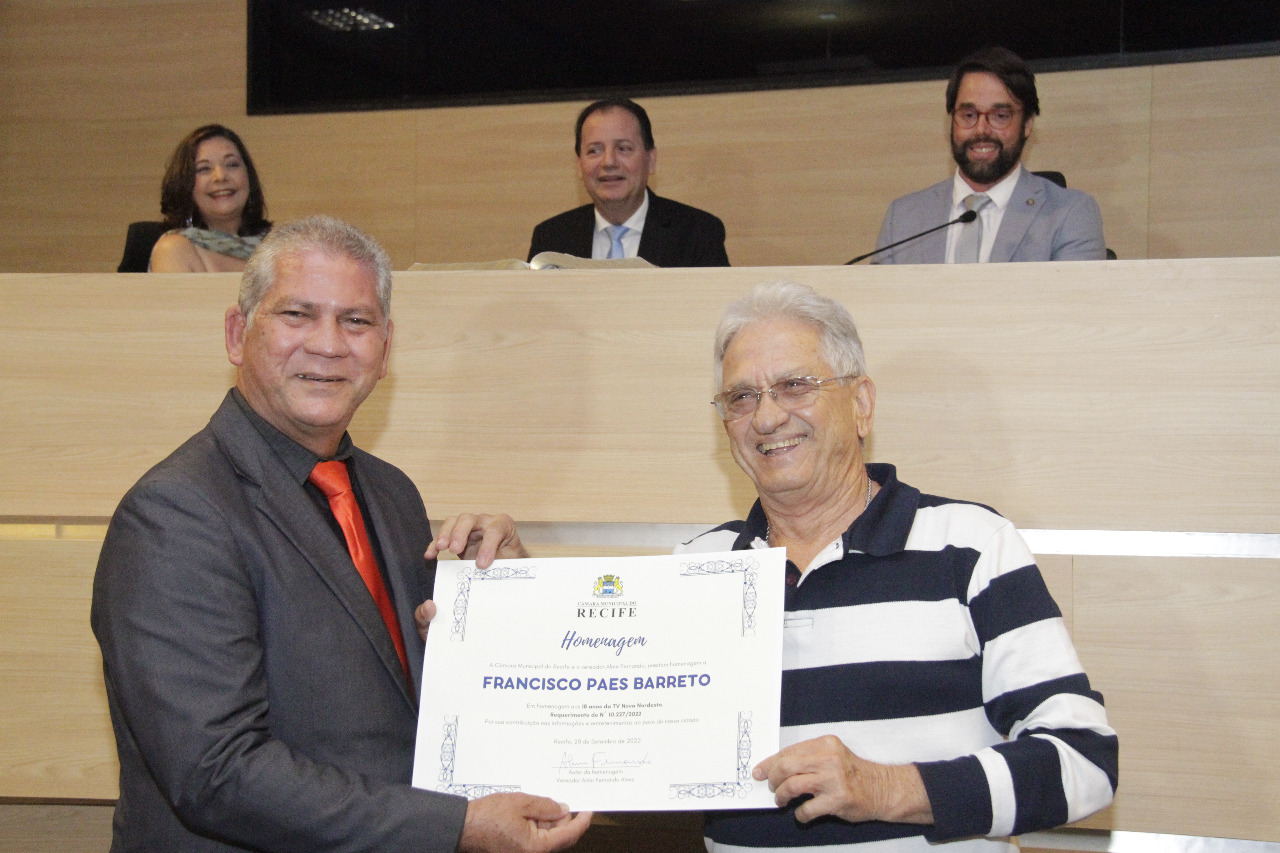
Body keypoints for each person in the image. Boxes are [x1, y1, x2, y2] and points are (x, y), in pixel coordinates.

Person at [91, 215, 591, 853]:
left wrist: (502, 594)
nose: (328, 345)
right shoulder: (176, 513)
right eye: (296, 315)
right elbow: (217, 772)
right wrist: (456, 827)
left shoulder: (391, 493)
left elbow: (409, 696)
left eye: (356, 321)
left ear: (385, 349)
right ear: (238, 334)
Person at [677, 280, 1118, 853]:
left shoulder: (970, 547)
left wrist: (887, 789)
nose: (766, 417)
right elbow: (633, 743)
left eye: (794, 386)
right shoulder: (696, 571)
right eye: (741, 397)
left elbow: (1084, 761)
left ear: (860, 404)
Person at [873, 47, 1105, 263]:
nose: (981, 130)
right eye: (968, 115)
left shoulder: (1070, 215)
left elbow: (1074, 295)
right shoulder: (902, 218)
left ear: (1027, 124)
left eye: (1000, 116)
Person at [527, 97, 730, 267]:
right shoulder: (551, 238)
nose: (608, 162)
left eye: (623, 148)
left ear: (651, 160)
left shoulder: (698, 233)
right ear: (579, 165)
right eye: (594, 150)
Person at [149, 124, 273, 272]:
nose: (220, 176)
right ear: (184, 185)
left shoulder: (281, 249)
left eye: (232, 165)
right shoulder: (174, 250)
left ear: (249, 178)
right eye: (204, 169)